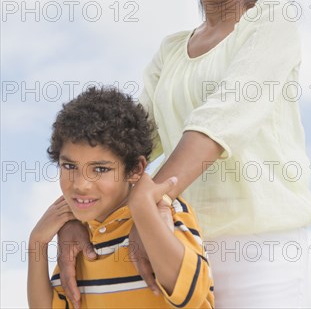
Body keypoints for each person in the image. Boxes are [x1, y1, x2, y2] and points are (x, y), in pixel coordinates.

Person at [57, 0, 311, 308]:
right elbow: (126, 146)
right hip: (179, 244)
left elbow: (221, 119)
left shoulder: (271, 20)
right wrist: (74, 215)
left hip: (260, 251)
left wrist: (145, 202)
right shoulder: (172, 50)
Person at [27, 86, 214, 309]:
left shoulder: (167, 211)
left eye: (100, 169)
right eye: (69, 166)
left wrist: (143, 208)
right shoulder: (79, 237)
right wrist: (37, 243)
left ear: (135, 169)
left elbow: (191, 295)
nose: (81, 184)